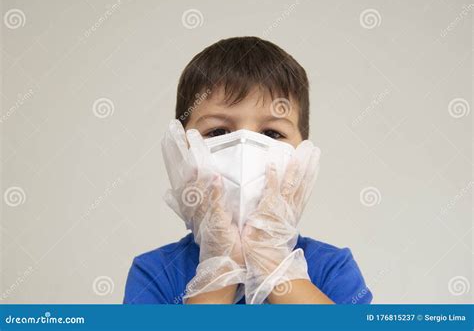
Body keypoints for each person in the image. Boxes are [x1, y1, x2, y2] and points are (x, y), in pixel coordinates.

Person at [123, 36, 372, 304]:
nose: (244, 152)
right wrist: (221, 264)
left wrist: (272, 261)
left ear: (304, 160)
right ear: (181, 154)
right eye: (218, 131)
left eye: (272, 133)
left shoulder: (333, 269)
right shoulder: (153, 274)